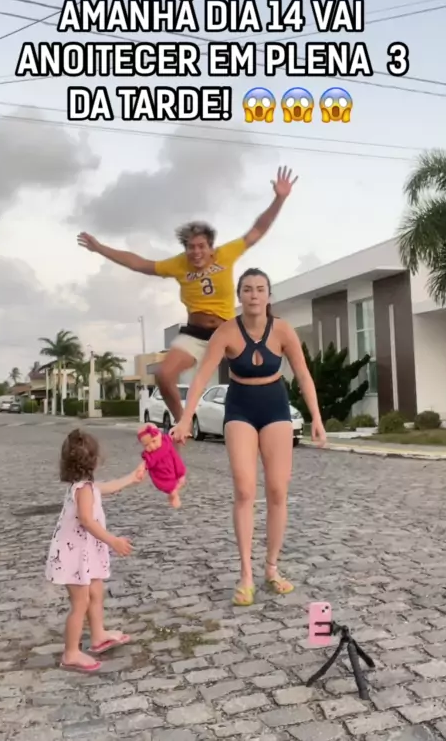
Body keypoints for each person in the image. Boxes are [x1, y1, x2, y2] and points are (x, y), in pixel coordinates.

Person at [78, 166, 296, 424]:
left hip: (227, 331)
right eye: (191, 247)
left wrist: (279, 199)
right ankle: (183, 422)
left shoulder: (226, 254)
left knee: (256, 371)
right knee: (163, 375)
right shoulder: (178, 264)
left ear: (211, 247)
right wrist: (100, 248)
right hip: (195, 334)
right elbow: (139, 264)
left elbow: (257, 230)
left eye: (201, 246)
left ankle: (269, 416)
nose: (196, 252)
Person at [171, 268, 326, 607]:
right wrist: (184, 419)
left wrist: (316, 417)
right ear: (239, 295)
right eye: (247, 289)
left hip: (275, 409)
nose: (254, 295)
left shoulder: (283, 330)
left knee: (277, 490)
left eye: (260, 289)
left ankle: (271, 568)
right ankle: (245, 575)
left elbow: (303, 375)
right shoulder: (226, 332)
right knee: (244, 490)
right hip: (240, 408)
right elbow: (201, 377)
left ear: (268, 295)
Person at [45, 429, 144, 673]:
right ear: (94, 459)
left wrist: (132, 477)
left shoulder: (85, 486)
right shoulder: (84, 490)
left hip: (84, 552)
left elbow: (106, 487)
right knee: (80, 603)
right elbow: (87, 521)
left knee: (96, 592)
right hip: (74, 556)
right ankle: (71, 653)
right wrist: (113, 541)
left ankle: (98, 634)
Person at [136, 423, 187, 508]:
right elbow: (145, 464)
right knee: (171, 488)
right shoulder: (149, 455)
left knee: (182, 479)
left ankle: (175, 491)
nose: (152, 446)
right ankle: (174, 496)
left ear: (160, 435)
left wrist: (179, 436)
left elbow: (172, 438)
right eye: (146, 445)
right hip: (163, 474)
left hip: (174, 464)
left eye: (154, 441)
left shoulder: (165, 440)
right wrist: (141, 470)